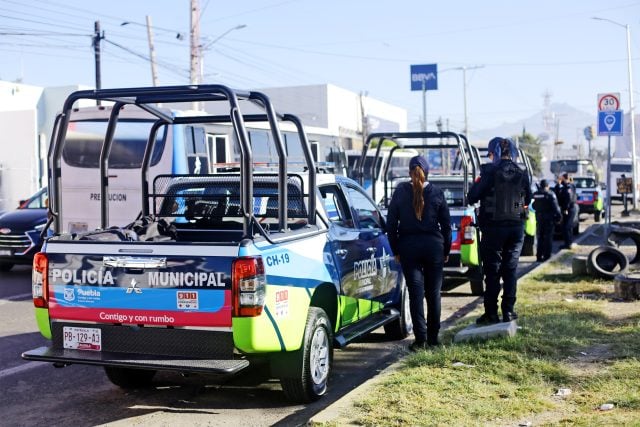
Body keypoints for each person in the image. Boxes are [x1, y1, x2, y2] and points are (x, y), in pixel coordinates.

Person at [386, 155, 452, 351]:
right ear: (428, 172)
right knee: (434, 294)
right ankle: (433, 339)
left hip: (409, 249)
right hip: (434, 248)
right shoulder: (437, 193)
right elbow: (447, 226)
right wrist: (446, 250)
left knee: (415, 294)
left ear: (409, 172)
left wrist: (396, 249)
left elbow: (391, 225)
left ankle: (420, 340)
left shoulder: (400, 192)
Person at [468, 137, 532, 324]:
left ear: (494, 153)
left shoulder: (489, 172)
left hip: (493, 228)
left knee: (493, 271)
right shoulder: (522, 172)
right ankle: (509, 311)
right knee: (510, 270)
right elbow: (528, 198)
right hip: (516, 228)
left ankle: (491, 313)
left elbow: (472, 196)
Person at [532, 179, 561, 262]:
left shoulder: (535, 194)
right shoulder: (550, 194)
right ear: (547, 186)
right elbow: (556, 207)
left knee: (540, 237)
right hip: (549, 219)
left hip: (539, 218)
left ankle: (539, 256)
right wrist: (559, 217)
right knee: (548, 238)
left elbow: (533, 206)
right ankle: (547, 256)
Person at [556, 173, 578, 249]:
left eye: (561, 179)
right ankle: (568, 243)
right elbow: (558, 194)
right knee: (566, 227)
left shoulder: (569, 187)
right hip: (568, 208)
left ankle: (568, 244)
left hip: (569, 208)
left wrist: (565, 208)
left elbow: (568, 198)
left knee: (566, 227)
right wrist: (558, 185)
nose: (560, 180)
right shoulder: (567, 186)